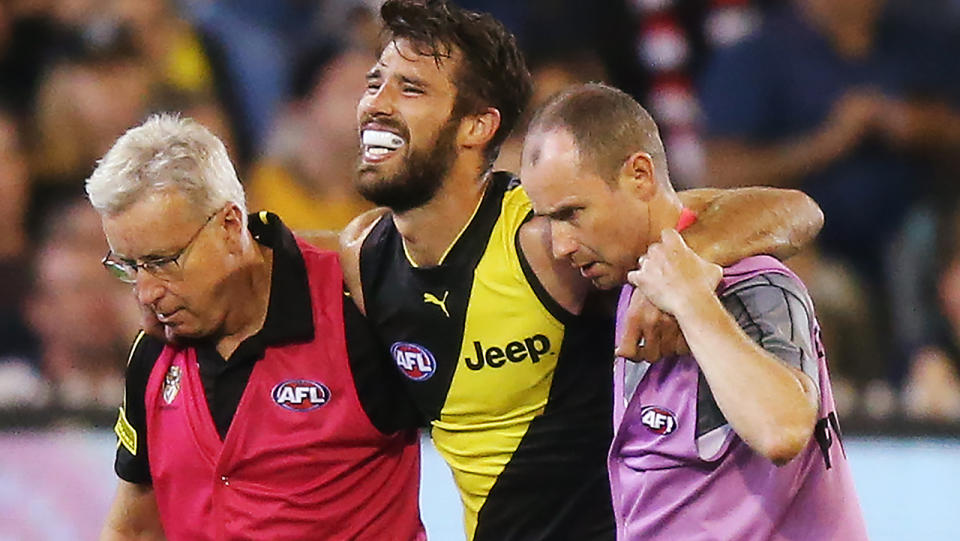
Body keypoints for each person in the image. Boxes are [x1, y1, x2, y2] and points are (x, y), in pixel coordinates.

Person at [340, 2, 824, 539]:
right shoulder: (362, 255)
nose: (375, 105)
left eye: (410, 89)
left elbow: (790, 210)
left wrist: (675, 270)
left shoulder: (545, 235)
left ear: (477, 124)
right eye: (374, 82)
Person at [519, 82, 868, 540]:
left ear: (639, 175)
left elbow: (782, 429)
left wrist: (690, 299)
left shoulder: (748, 281)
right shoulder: (632, 276)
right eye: (549, 219)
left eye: (572, 213)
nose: (561, 245)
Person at [87, 114, 424, 541]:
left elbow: (479, 437)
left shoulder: (357, 309)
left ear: (230, 225)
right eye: (130, 266)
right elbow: (135, 527)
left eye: (161, 262)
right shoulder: (153, 351)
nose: (145, 293)